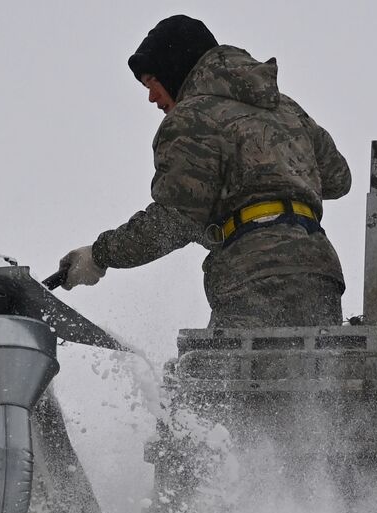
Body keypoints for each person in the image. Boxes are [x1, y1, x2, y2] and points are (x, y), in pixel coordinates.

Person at [57, 15, 352, 329]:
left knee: (211, 377)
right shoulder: (286, 108)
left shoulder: (190, 118)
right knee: (314, 370)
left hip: (252, 274)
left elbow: (173, 221)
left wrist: (100, 255)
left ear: (174, 69)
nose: (151, 97)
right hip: (319, 271)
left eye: (150, 83)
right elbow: (337, 179)